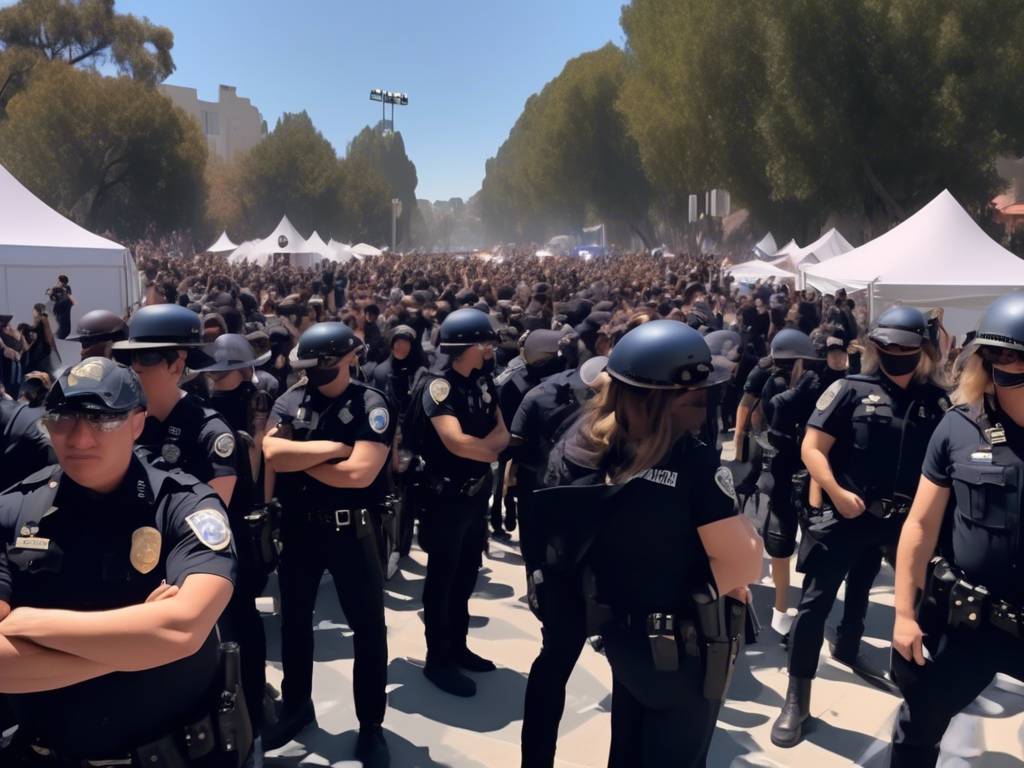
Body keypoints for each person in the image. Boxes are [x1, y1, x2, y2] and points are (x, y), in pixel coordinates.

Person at [535, 320, 763, 767]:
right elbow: (745, 561)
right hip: (683, 648)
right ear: (667, 399)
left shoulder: (580, 445)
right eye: (697, 396)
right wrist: (712, 578)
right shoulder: (692, 463)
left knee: (627, 750)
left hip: (621, 634)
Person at [0, 357, 246, 766]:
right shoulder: (12, 510)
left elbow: (183, 628)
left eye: (102, 421)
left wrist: (27, 624)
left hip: (170, 757)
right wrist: (141, 647)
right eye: (62, 418)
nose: (78, 438)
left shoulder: (182, 504)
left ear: (137, 423)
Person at [771, 305, 950, 748]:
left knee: (889, 591)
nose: (894, 353)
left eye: (904, 347)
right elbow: (813, 447)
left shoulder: (935, 401)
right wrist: (833, 491)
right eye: (885, 345)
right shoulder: (850, 390)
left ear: (921, 350)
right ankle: (797, 696)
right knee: (814, 604)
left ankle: (854, 648)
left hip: (903, 524)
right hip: (849, 513)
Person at [889, 291, 1024, 767]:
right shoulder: (958, 428)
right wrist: (904, 613)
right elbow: (920, 526)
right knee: (918, 725)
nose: (1007, 364)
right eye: (998, 353)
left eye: (1017, 354)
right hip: (971, 624)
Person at [261, 322, 392, 766]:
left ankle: (371, 725)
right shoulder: (290, 399)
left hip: (352, 530)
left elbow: (360, 474)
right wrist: (336, 448)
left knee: (368, 630)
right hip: (299, 529)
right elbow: (272, 453)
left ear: (344, 360)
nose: (313, 377)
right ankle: (296, 705)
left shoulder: (371, 403)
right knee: (294, 624)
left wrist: (304, 458)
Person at [515, 354, 607, 768]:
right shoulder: (582, 440)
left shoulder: (580, 430)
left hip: (572, 574)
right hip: (575, 576)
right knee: (554, 665)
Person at [418, 308, 508, 697]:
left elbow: (503, 430)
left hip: (474, 496)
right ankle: (437, 658)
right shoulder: (438, 386)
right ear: (465, 347)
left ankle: (458, 645)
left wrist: (485, 451)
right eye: (484, 343)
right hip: (445, 498)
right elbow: (454, 440)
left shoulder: (482, 381)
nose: (489, 349)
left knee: (467, 572)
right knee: (442, 578)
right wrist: (488, 452)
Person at [194, 333, 275, 750]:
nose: (218, 378)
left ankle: (254, 706)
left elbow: (262, 462)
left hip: (242, 522)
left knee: (241, 620)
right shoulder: (203, 407)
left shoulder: (257, 402)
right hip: (219, 522)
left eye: (226, 371)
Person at [757, 329, 821, 637]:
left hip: (785, 471)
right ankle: (786, 609)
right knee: (792, 540)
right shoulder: (789, 388)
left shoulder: (775, 382)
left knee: (784, 541)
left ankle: (781, 608)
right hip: (800, 471)